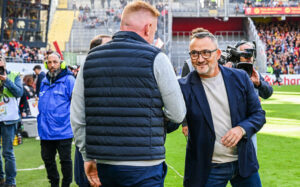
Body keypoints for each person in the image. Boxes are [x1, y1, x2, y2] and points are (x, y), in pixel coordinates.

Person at [71, 1, 186, 187]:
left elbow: (77, 116)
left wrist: (86, 155)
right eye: (154, 30)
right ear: (148, 28)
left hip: (103, 162)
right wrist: (152, 121)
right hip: (145, 163)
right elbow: (178, 113)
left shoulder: (90, 59)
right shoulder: (157, 58)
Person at [179, 31, 266, 186]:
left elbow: (258, 115)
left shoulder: (240, 77)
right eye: (194, 54)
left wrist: (241, 129)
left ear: (218, 54)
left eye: (206, 53)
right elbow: (172, 120)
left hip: (243, 163)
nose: (200, 59)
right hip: (207, 168)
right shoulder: (183, 87)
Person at [73, 34, 112, 187]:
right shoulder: (86, 77)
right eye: (109, 45)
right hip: (89, 150)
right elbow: (77, 117)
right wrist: (87, 156)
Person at [37, 52, 75, 187]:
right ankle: (54, 183)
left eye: (55, 62)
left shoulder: (69, 80)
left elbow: (76, 104)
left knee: (65, 160)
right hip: (45, 130)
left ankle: (66, 184)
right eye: (50, 62)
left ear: (61, 63)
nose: (52, 65)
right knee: (47, 160)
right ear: (46, 64)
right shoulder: (43, 81)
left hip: (63, 129)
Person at [236, 41, 273, 153]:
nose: (248, 56)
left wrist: (259, 84)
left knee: (250, 162)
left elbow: (268, 93)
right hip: (232, 124)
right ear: (237, 55)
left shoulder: (254, 73)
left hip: (250, 124)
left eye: (251, 53)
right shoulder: (229, 72)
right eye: (245, 53)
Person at [0, 56, 23, 187]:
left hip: (9, 119)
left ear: (5, 63)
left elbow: (19, 92)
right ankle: (0, 179)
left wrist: (6, 80)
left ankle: (10, 182)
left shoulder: (14, 75)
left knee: (7, 152)